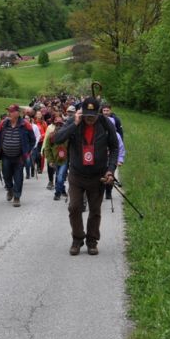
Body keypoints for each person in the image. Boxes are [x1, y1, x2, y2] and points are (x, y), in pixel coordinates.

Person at [52, 97, 119, 256]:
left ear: (98, 113)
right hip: (77, 174)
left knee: (95, 210)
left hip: (98, 176)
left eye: (93, 116)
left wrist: (110, 170)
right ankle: (77, 238)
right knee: (74, 207)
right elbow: (57, 139)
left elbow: (115, 148)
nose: (89, 119)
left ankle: (92, 241)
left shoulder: (105, 123)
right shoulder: (74, 121)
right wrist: (74, 123)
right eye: (87, 116)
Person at [0, 104, 35, 207]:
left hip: (19, 156)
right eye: (8, 111)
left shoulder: (25, 124)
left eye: (11, 111)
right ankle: (10, 189)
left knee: (18, 177)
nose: (9, 113)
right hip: (6, 155)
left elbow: (32, 140)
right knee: (6, 175)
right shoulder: (3, 124)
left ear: (17, 113)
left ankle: (16, 196)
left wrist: (27, 151)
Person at [42, 114, 69, 201]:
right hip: (55, 160)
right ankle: (62, 189)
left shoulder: (67, 136)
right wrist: (50, 160)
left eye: (60, 124)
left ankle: (57, 193)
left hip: (65, 160)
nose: (58, 126)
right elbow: (47, 149)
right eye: (57, 124)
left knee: (60, 176)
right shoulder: (51, 136)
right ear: (54, 125)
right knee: (58, 176)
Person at [103, 115, 125, 200]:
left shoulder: (117, 136)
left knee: (110, 175)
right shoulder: (100, 134)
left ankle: (108, 191)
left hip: (112, 159)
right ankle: (99, 191)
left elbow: (121, 148)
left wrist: (120, 160)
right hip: (101, 159)